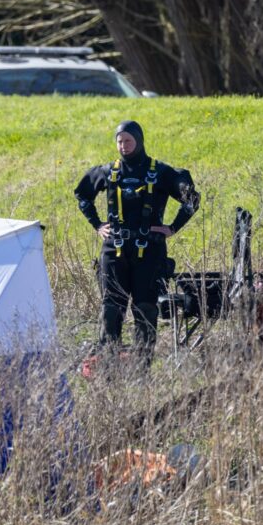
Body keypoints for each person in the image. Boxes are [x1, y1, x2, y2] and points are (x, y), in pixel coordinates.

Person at [74, 121, 199, 368]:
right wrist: (97, 225)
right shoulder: (108, 171)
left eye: (128, 141)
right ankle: (109, 368)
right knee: (111, 309)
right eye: (120, 141)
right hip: (114, 251)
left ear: (139, 141)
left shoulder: (161, 172)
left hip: (149, 251)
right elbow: (82, 195)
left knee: (145, 309)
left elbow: (192, 199)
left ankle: (142, 369)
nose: (124, 146)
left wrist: (173, 227)